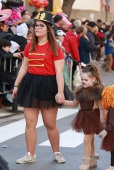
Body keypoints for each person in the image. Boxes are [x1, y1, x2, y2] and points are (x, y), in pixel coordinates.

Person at [12, 11, 66, 164]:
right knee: (30, 122)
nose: (37, 28)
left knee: (50, 123)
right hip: (30, 84)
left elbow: (59, 72)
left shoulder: (55, 47)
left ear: (48, 28)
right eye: (36, 25)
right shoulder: (29, 45)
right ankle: (30, 154)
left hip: (49, 86)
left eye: (41, 26)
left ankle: (57, 152)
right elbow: (24, 67)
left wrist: (60, 92)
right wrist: (16, 84)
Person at [59, 61, 105, 170]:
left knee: (86, 139)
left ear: (93, 79)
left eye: (86, 80)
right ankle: (93, 159)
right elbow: (74, 104)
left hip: (94, 117)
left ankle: (86, 162)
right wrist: (64, 101)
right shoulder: (80, 91)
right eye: (82, 79)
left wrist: (102, 120)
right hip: (84, 117)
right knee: (90, 139)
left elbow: (101, 107)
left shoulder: (97, 90)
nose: (83, 82)